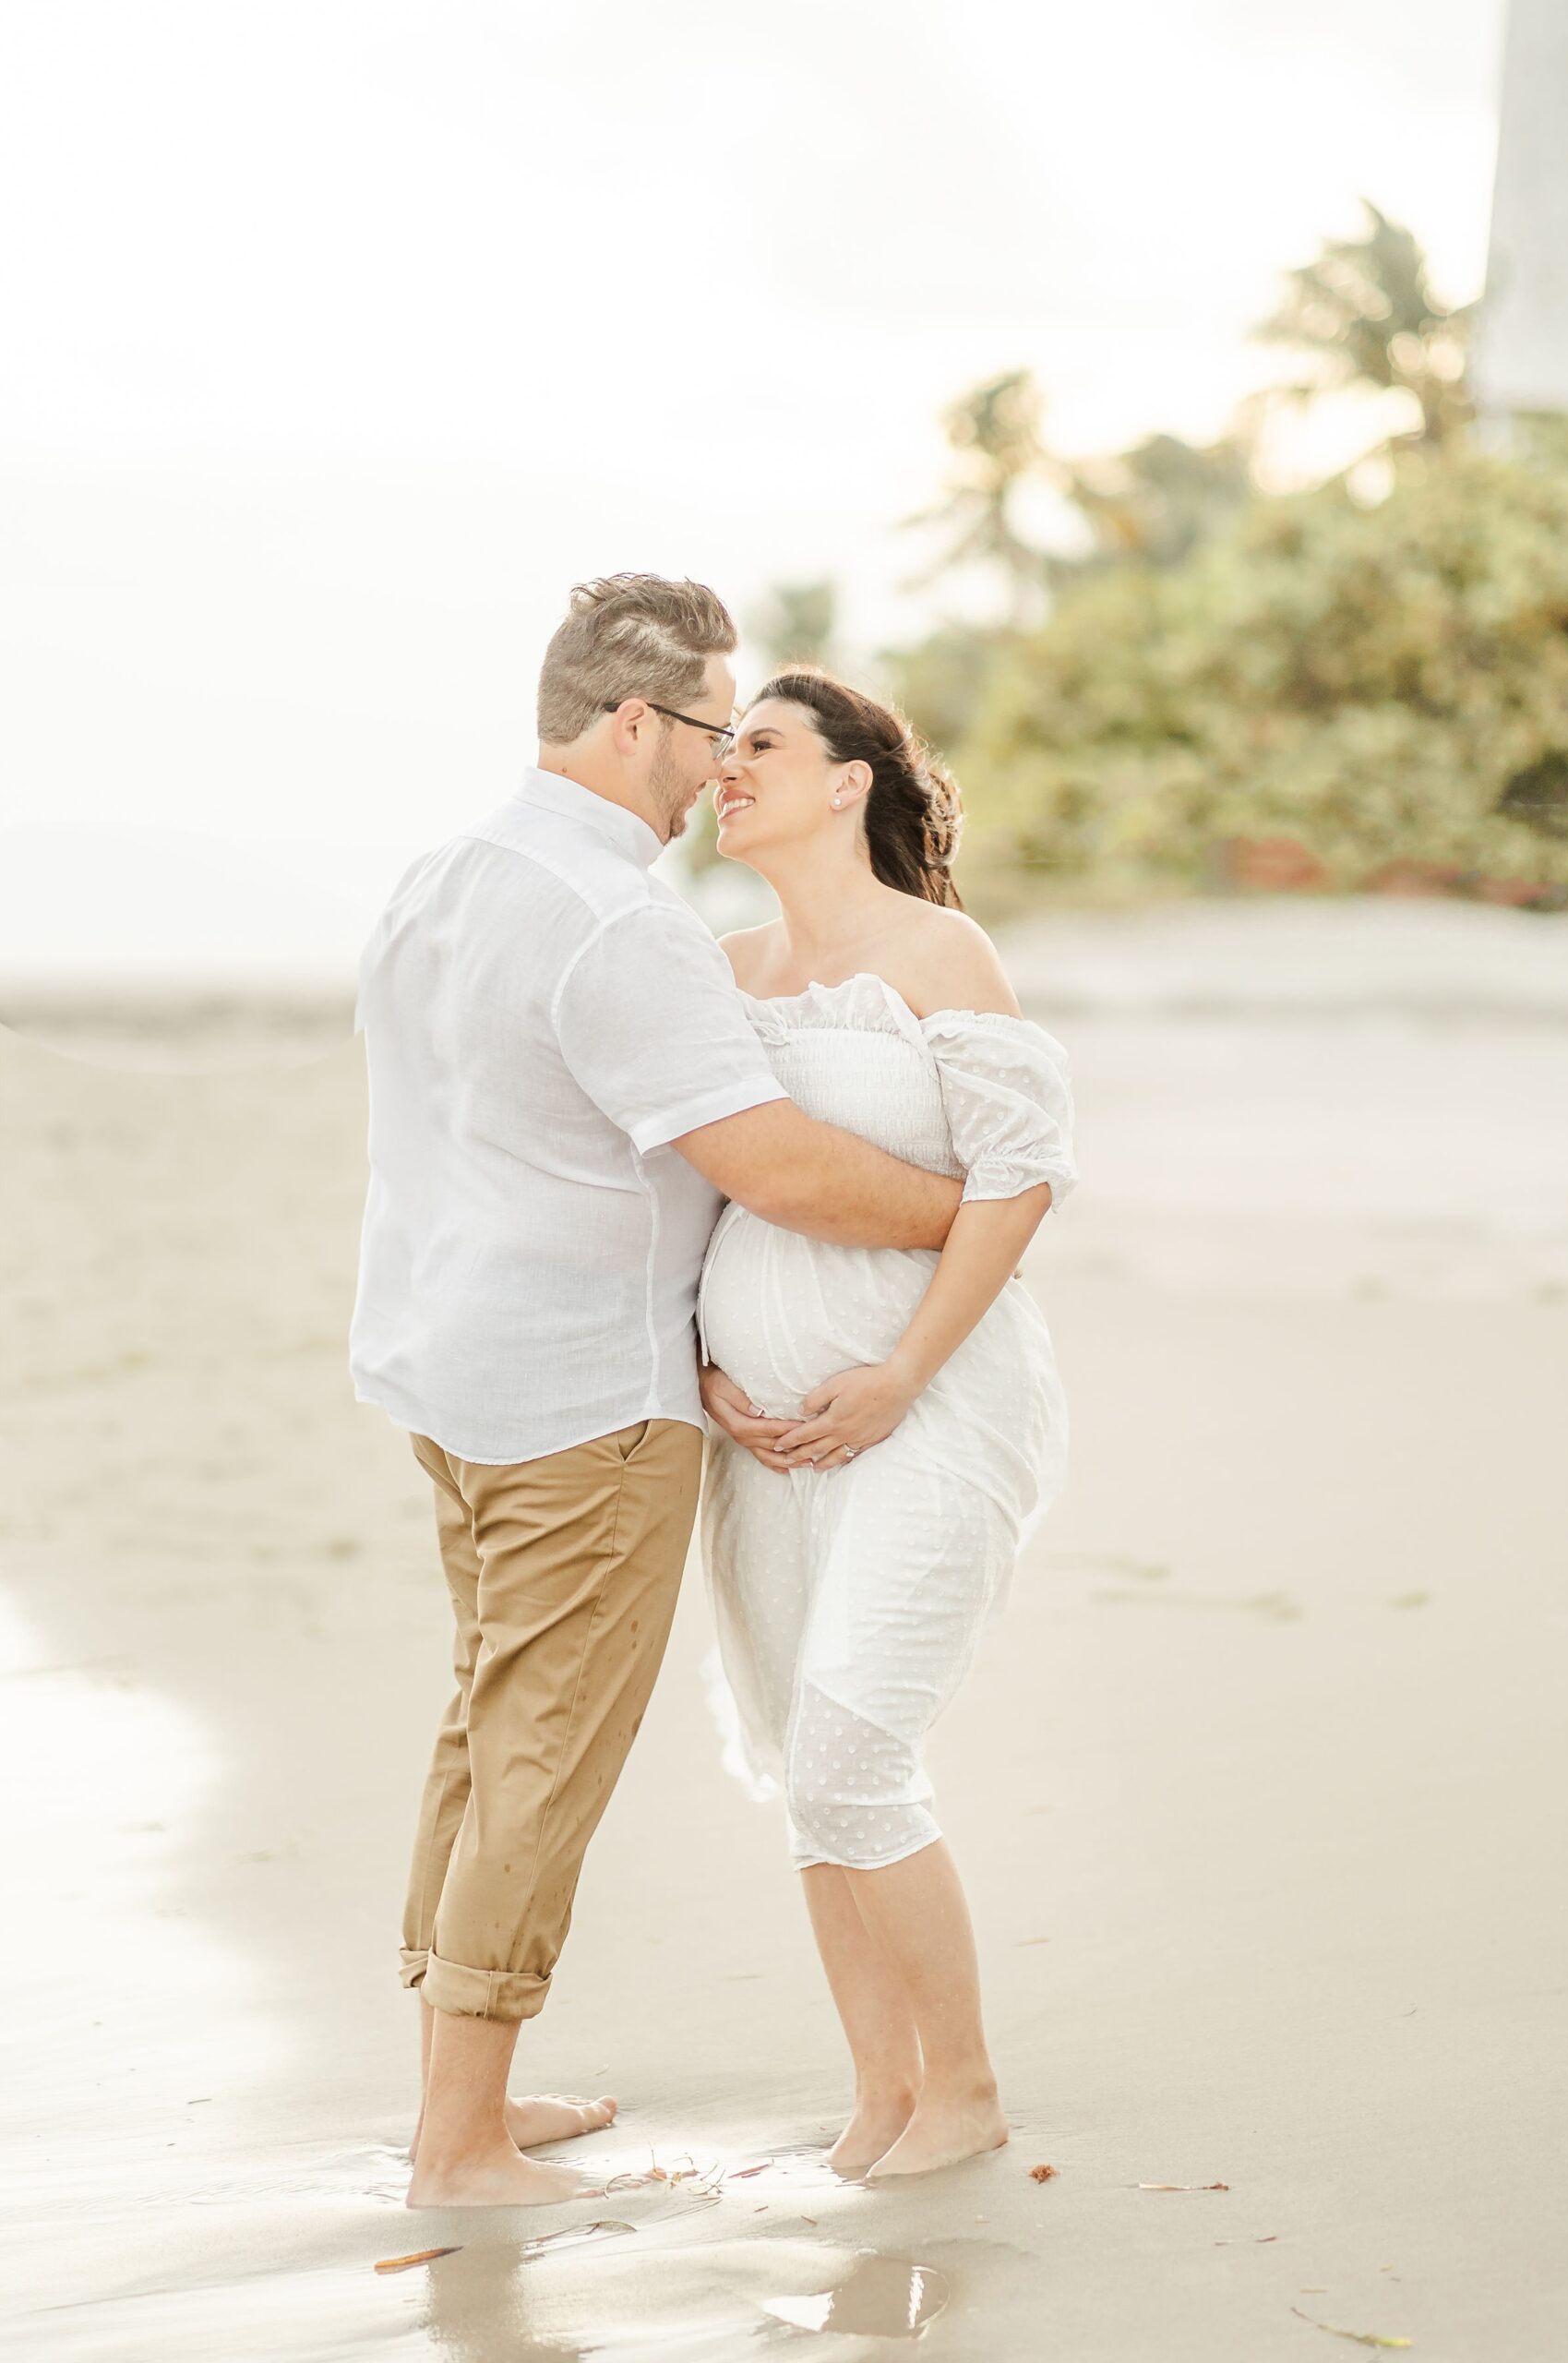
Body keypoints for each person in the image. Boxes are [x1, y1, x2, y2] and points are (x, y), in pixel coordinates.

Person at [349, 577, 968, 2208]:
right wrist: (968, 1220)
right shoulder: (621, 923)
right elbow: (767, 1161)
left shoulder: (443, 878)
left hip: (447, 1370)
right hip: (583, 1405)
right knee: (540, 1755)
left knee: (486, 1733)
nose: (716, 771)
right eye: (708, 729)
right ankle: (464, 2146)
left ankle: (456, 2107)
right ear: (638, 723)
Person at [697, 669, 1077, 2179]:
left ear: (851, 781)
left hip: (931, 1407)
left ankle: (966, 2089)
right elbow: (687, 1197)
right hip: (763, 1438)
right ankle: (880, 2092)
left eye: (762, 749)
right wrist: (711, 1375)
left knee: (856, 1739)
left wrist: (906, 1369)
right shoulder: (718, 969)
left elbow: (1021, 1175)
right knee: (805, 1759)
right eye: (720, 755)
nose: (730, 772)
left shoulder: (940, 952)